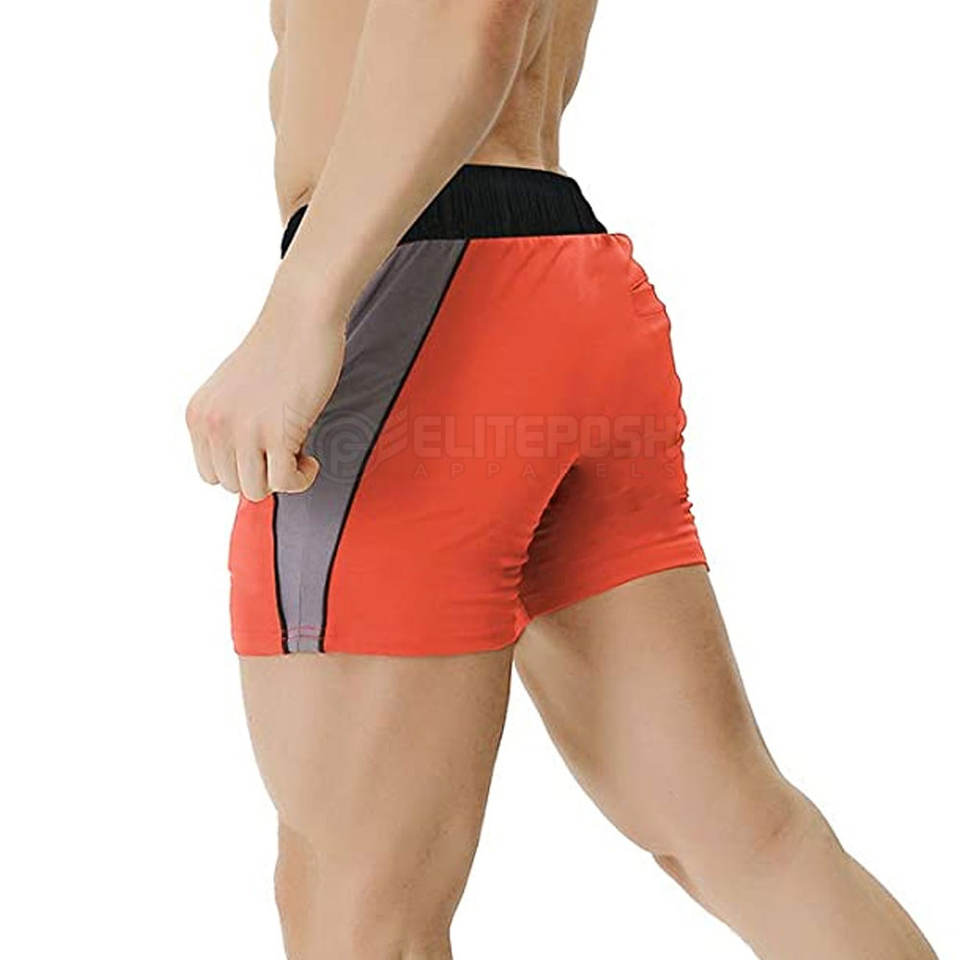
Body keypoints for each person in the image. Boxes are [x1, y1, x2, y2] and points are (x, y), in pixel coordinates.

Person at [186, 1, 939, 957]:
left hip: (418, 311)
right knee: (741, 836)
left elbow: (466, 17)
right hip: (556, 281)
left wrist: (303, 307)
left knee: (357, 906)